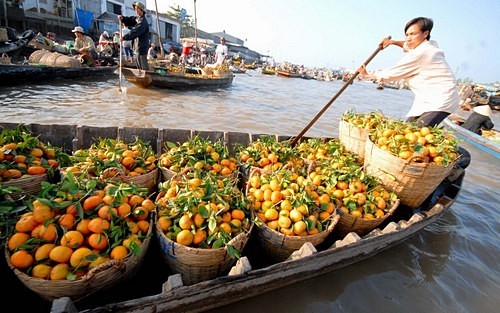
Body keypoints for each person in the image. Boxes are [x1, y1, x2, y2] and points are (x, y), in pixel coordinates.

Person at [357, 17, 459, 127]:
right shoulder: (429, 45)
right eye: (407, 35)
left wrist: (367, 75)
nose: (408, 38)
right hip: (428, 99)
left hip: (440, 100)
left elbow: (393, 73)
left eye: (413, 34)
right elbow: (407, 45)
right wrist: (392, 42)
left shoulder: (422, 53)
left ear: (425, 34)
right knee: (406, 128)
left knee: (414, 134)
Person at [119, 2, 150, 70]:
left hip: (142, 46)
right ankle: (141, 76)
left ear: (141, 10)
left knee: (143, 65)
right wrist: (123, 19)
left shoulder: (142, 22)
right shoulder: (138, 19)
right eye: (135, 9)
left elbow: (135, 31)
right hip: (138, 46)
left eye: (137, 9)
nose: (136, 10)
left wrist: (125, 37)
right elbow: (131, 20)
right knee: (138, 64)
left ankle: (145, 76)